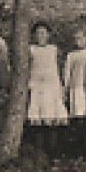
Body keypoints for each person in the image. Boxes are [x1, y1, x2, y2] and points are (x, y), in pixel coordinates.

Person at [26, 21, 69, 158]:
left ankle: (53, 153)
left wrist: (62, 87)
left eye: (43, 33)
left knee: (52, 119)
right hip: (36, 87)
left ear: (48, 35)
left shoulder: (54, 49)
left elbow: (61, 68)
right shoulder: (30, 49)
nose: (40, 36)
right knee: (37, 120)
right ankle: (39, 152)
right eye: (38, 33)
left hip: (52, 88)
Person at [62, 25, 86, 155]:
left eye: (80, 38)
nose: (78, 41)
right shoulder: (71, 55)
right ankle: (76, 148)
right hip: (75, 89)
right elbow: (67, 73)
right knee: (77, 118)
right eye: (75, 38)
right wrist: (66, 88)